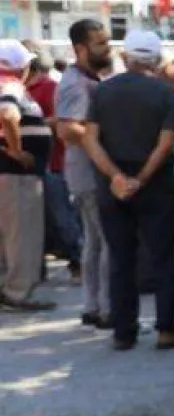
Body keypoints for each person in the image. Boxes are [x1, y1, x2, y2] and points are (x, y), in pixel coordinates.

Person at [77, 29, 174, 351]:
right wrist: (140, 178)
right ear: (156, 60)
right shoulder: (165, 92)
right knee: (165, 259)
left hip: (113, 190)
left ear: (125, 56)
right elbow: (165, 142)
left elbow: (89, 139)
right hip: (157, 187)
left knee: (121, 259)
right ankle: (169, 329)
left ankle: (123, 331)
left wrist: (116, 177)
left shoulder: (102, 91)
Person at [55, 19, 115, 328]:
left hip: (87, 172)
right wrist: (104, 142)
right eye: (100, 43)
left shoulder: (88, 78)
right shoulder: (75, 83)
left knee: (94, 242)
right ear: (81, 48)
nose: (108, 48)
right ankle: (107, 309)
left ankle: (93, 306)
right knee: (107, 241)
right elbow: (67, 129)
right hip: (89, 173)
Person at [0, 39, 56, 311]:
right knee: (22, 236)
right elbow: (9, 115)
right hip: (16, 176)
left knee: (9, 236)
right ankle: (17, 293)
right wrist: (17, 151)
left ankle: (8, 289)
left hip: (9, 175)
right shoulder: (11, 86)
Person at [27, 55, 82, 284]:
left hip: (53, 162)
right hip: (27, 166)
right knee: (36, 221)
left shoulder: (50, 87)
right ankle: (36, 270)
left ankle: (78, 262)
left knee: (62, 217)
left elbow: (62, 118)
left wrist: (32, 124)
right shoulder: (19, 89)